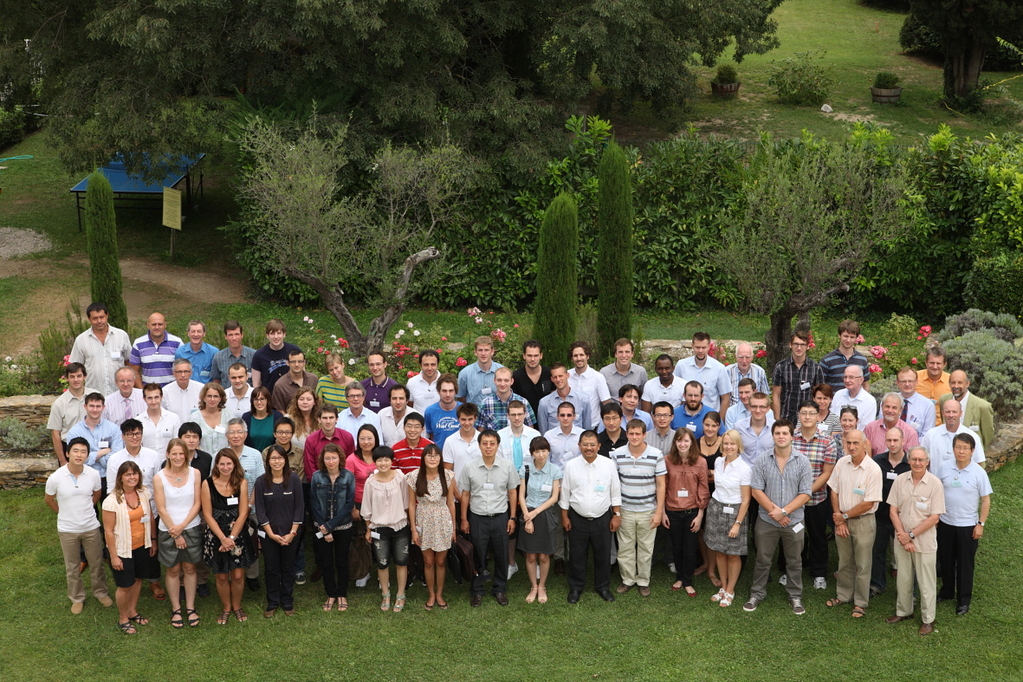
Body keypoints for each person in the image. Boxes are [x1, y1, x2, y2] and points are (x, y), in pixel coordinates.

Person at [743, 420, 812, 615]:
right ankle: (756, 593)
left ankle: (795, 595)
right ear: (772, 436)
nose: (781, 436)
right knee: (762, 559)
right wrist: (776, 512)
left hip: (794, 521)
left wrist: (784, 512)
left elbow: (806, 493)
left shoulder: (803, 461)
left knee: (794, 561)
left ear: (792, 436)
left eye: (785, 433)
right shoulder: (763, 460)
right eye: (777, 433)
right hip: (766, 520)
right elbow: (756, 489)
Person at [44, 437, 113, 614]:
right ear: (67, 453)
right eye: (75, 451)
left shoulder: (93, 474)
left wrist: (89, 506)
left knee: (96, 563)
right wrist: (62, 512)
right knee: (72, 566)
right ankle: (77, 597)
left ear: (87, 455)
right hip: (68, 530)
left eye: (83, 451)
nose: (79, 455)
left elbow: (96, 494)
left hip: (90, 527)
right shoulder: (56, 477)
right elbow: (49, 499)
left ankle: (101, 592)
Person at [885, 446, 945, 636]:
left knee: (926, 583)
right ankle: (904, 612)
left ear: (927, 462)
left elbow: (935, 518)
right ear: (908, 461)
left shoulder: (935, 484)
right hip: (901, 539)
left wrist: (910, 536)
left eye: (921, 460)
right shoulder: (901, 480)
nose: (917, 463)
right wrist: (903, 536)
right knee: (903, 578)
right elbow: (893, 511)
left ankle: (928, 619)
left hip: (924, 542)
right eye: (914, 459)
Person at [825, 429, 882, 618]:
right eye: (848, 443)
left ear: (864, 444)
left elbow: (869, 503)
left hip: (863, 522)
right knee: (844, 560)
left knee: (863, 564)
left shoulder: (873, 469)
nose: (852, 446)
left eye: (856, 443)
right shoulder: (842, 463)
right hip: (841, 520)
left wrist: (844, 516)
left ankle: (860, 602)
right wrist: (838, 516)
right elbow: (833, 490)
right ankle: (843, 595)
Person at [459, 430, 520, 607]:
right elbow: (465, 494)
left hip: (501, 516)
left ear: (498, 445)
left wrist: (513, 517)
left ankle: (500, 588)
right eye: (485, 443)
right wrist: (464, 519)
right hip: (478, 517)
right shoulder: (470, 467)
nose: (488, 447)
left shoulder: (507, 466)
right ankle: (477, 590)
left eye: (492, 443)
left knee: (501, 554)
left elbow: (512, 492)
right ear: (479, 445)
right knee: (477, 555)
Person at [560, 430, 621, 604]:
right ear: (579, 446)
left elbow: (615, 491)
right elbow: (565, 493)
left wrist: (616, 515)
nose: (589, 448)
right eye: (585, 444)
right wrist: (565, 517)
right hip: (577, 517)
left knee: (603, 554)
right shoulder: (571, 465)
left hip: (603, 517)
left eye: (592, 444)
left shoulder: (608, 464)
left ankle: (603, 587)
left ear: (599, 446)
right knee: (577, 555)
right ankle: (576, 587)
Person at [935, 432, 992, 616]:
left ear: (972, 451)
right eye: (958, 447)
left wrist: (980, 524)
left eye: (965, 448)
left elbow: (985, 500)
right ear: (953, 449)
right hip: (945, 522)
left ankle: (963, 600)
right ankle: (947, 591)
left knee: (965, 564)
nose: (961, 451)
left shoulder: (978, 472)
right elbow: (936, 492)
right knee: (946, 560)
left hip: (968, 525)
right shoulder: (944, 468)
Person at [611, 420, 666, 597]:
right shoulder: (617, 454)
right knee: (625, 547)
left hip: (648, 509)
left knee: (646, 548)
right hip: (625, 509)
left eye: (638, 434)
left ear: (644, 435)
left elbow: (661, 484)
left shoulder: (656, 454)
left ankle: (643, 580)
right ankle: (627, 579)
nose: (634, 437)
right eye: (631, 433)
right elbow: (613, 484)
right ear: (626, 434)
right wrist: (616, 512)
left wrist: (659, 512)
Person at [200, 448, 256, 625]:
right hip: (216, 534)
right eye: (222, 463)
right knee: (221, 575)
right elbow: (207, 515)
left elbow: (243, 513)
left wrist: (231, 538)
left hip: (237, 534)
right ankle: (226, 607)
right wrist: (222, 538)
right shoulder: (207, 483)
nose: (225, 467)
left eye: (229, 463)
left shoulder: (241, 482)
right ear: (216, 465)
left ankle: (237, 605)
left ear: (234, 465)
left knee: (238, 575)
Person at [152, 438, 203, 628]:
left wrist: (183, 527)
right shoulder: (159, 477)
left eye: (181, 453)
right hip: (168, 529)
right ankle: (175, 609)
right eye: (174, 453)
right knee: (173, 569)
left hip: (191, 527)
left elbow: (197, 503)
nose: (178, 457)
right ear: (167, 454)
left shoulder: (195, 473)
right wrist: (176, 532)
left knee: (190, 568)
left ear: (187, 454)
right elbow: (161, 508)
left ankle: (190, 607)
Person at [102, 461, 157, 634]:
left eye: (135, 473)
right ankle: (123, 617)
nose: (132, 477)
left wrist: (153, 540)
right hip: (123, 550)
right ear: (120, 477)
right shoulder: (111, 501)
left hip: (142, 546)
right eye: (128, 474)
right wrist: (114, 556)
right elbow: (108, 531)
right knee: (125, 585)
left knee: (138, 579)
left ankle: (132, 611)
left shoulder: (144, 493)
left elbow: (151, 519)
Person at [791, 400, 837, 591]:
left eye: (811, 413)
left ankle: (818, 573)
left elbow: (827, 473)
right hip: (793, 501)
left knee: (817, 537)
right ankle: (793, 569)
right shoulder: (791, 438)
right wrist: (798, 495)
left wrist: (806, 492)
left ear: (818, 416)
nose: (807, 417)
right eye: (804, 413)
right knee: (794, 535)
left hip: (817, 499)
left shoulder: (827, 441)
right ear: (798, 416)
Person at [255, 444, 304, 617]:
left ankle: (287, 600)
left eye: (280, 458)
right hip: (270, 535)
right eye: (273, 458)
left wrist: (292, 533)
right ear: (268, 461)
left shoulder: (294, 479)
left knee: (288, 567)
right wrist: (270, 534)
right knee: (271, 568)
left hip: (291, 534)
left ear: (285, 460)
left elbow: (299, 508)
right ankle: (273, 601)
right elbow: (260, 511)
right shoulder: (261, 481)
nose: (277, 461)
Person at [703, 430, 751, 608]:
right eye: (726, 443)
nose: (728, 447)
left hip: (735, 512)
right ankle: (722, 587)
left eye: (732, 444)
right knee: (718, 551)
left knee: (732, 554)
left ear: (739, 446)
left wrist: (737, 524)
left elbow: (746, 500)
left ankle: (730, 589)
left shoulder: (745, 469)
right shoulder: (718, 461)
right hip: (716, 508)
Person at [362, 446, 411, 612]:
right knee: (382, 563)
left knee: (401, 562)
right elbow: (366, 508)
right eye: (379, 460)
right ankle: (386, 594)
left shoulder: (400, 478)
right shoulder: (370, 482)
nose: (383, 463)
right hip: (379, 529)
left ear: (392, 461)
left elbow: (407, 503)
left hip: (400, 526)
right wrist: (368, 529)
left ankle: (400, 594)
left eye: (386, 459)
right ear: (375, 462)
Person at [407, 443, 456, 610]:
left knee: (441, 561)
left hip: (443, 520)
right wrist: (413, 529)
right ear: (424, 458)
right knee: (428, 562)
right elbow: (412, 505)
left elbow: (451, 503)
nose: (433, 458)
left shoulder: (448, 476)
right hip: (423, 521)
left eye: (436, 455)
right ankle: (431, 594)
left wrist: (454, 527)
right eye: (429, 455)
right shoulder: (414, 477)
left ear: (441, 458)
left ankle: (440, 594)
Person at [661, 427, 707, 596]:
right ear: (675, 442)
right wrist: (663, 512)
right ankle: (680, 577)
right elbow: (663, 487)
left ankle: (687, 581)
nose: (682, 444)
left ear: (691, 443)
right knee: (677, 547)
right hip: (672, 511)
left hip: (691, 512)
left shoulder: (700, 462)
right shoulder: (667, 460)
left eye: (686, 441)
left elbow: (703, 489)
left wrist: (700, 515)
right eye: (679, 440)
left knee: (689, 548)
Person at [310, 444, 356, 612]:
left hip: (343, 526)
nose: (330, 461)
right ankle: (330, 593)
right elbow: (313, 504)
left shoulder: (348, 477)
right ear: (323, 459)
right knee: (326, 562)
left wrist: (330, 526)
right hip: (321, 527)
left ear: (340, 459)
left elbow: (349, 504)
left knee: (342, 561)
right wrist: (325, 528)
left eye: (334, 458)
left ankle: (341, 593)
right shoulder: (316, 477)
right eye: (327, 458)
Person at [518, 436, 562, 604]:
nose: (541, 454)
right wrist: (527, 518)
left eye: (544, 450)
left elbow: (554, 497)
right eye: (537, 451)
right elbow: (521, 496)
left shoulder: (554, 470)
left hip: (545, 513)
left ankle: (542, 585)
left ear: (548, 451)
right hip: (527, 512)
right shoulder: (526, 469)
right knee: (530, 556)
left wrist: (534, 513)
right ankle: (533, 586)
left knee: (544, 556)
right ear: (532, 453)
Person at [224, 417, 266, 591]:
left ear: (245, 434)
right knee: (229, 540)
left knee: (251, 540)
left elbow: (260, 482)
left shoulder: (255, 454)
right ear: (227, 435)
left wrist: (249, 505)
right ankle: (228, 572)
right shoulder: (221, 455)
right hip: (226, 509)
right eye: (232, 432)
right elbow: (215, 481)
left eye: (239, 432)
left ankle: (252, 576)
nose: (236, 436)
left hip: (251, 508)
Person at [871, 427, 910, 597]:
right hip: (879, 516)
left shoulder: (911, 463)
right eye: (889, 440)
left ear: (903, 441)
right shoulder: (877, 461)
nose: (892, 444)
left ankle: (907, 590)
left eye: (896, 440)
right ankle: (876, 584)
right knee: (877, 552)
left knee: (904, 554)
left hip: (902, 519)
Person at [70, 302, 131, 396]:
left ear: (107, 316)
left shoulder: (121, 335)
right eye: (95, 318)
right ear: (89, 319)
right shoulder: (81, 340)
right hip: (93, 395)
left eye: (101, 317)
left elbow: (129, 362)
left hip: (119, 393)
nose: (99, 321)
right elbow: (75, 367)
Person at [66, 391, 123, 493]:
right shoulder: (75, 432)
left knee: (111, 507)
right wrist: (102, 453)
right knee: (87, 508)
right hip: (84, 476)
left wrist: (91, 457)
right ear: (85, 406)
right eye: (91, 406)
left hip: (108, 476)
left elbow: (117, 456)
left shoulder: (113, 429)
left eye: (98, 406)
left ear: (103, 407)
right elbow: (76, 458)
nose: (95, 410)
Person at [346, 424, 381, 588]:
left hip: (380, 503)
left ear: (376, 439)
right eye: (362, 439)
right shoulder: (351, 459)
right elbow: (348, 485)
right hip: (359, 504)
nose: (366, 442)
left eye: (369, 438)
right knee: (361, 539)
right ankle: (363, 571)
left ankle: (382, 571)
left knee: (380, 538)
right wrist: (353, 507)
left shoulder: (381, 456)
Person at [673, 332, 731, 418]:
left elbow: (725, 398)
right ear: (692, 346)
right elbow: (675, 391)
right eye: (697, 347)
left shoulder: (719, 368)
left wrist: (719, 423)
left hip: (710, 418)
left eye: (703, 347)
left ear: (709, 347)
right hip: (686, 416)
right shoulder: (682, 366)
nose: (700, 351)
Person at [771, 330, 824, 424]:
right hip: (786, 417)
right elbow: (776, 395)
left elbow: (819, 396)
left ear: (807, 346)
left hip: (807, 418)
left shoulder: (816, 368)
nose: (799, 348)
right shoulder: (781, 367)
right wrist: (777, 419)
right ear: (790, 345)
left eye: (802, 344)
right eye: (796, 344)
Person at [921, 399, 986, 472]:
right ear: (943, 413)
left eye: (954, 412)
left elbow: (978, 464)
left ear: (961, 413)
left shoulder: (972, 436)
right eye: (948, 412)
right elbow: (923, 461)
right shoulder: (931, 435)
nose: (951, 415)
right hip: (936, 482)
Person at [939, 370, 995, 449]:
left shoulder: (983, 406)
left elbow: (987, 435)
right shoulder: (944, 400)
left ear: (967, 384)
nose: (956, 386)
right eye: (953, 382)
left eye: (960, 382)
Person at [48, 362, 88, 465]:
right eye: (72, 377)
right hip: (69, 449)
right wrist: (62, 460)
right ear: (67, 378)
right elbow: (55, 434)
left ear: (85, 377)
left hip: (92, 447)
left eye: (79, 376)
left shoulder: (95, 397)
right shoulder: (59, 404)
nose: (76, 380)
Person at [129, 312, 182, 387]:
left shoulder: (177, 343)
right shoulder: (138, 344)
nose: (157, 327)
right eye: (154, 324)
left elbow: (183, 369)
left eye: (160, 324)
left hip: (171, 392)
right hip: (149, 393)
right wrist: (142, 391)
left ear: (165, 325)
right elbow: (134, 371)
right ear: (148, 325)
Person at [538, 363, 595, 432]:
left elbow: (587, 429)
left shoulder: (583, 400)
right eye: (555, 377)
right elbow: (543, 431)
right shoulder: (544, 403)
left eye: (560, 376)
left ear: (567, 375)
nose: (558, 379)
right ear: (552, 379)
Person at [304, 404, 356, 479]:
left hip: (343, 482)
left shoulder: (347, 437)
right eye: (325, 418)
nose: (328, 421)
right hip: (319, 483)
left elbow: (350, 463)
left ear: (337, 419)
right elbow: (309, 468)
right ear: (319, 419)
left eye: (331, 418)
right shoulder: (311, 440)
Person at [479, 366, 538, 431]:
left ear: (512, 381)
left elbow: (530, 429)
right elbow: (481, 431)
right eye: (499, 380)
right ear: (494, 380)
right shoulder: (485, 404)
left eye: (506, 380)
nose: (502, 384)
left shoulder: (523, 402)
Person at [251, 318, 301, 393]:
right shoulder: (259, 355)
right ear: (267, 335)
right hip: (270, 398)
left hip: (292, 397)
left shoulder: (294, 351)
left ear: (284, 334)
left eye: (279, 333)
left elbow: (302, 375)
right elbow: (256, 385)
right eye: (272, 333)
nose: (276, 337)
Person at [819, 320, 870, 392]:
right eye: (845, 336)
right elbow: (820, 387)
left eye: (852, 337)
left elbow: (865, 385)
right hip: (834, 402)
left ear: (856, 338)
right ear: (839, 335)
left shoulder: (862, 360)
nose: (848, 340)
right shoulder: (827, 360)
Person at [137, 383, 181, 458]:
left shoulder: (173, 418)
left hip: (169, 464)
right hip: (147, 464)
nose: (153, 401)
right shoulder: (138, 421)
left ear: (161, 397)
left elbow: (177, 444)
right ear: (144, 399)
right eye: (150, 398)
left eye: (156, 397)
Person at [458, 335, 505, 405]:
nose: (483, 353)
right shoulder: (465, 373)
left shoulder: (502, 371)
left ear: (492, 351)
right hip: (474, 414)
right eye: (480, 350)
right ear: (475, 352)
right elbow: (461, 397)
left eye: (486, 350)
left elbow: (507, 394)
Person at [443, 403, 483, 482]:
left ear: (475, 418)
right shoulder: (450, 441)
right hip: (458, 488)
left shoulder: (484, 440)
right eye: (463, 419)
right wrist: (456, 492)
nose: (467, 423)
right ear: (458, 419)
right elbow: (447, 472)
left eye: (470, 419)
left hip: (480, 490)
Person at [512, 340, 554, 416]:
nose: (532, 359)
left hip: (547, 419)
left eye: (536, 355)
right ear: (524, 356)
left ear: (541, 355)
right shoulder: (516, 376)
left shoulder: (549, 374)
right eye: (529, 355)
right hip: (525, 421)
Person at [829, 366, 876, 432]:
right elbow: (831, 419)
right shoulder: (838, 395)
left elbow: (866, 429)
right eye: (845, 377)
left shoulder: (869, 401)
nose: (847, 380)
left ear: (861, 380)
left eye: (851, 377)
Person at [498, 400, 541, 470]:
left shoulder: (535, 435)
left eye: (520, 414)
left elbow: (539, 461)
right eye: (513, 415)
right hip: (507, 477)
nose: (517, 418)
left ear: (525, 414)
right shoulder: (500, 436)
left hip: (531, 477)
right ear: (508, 416)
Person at [735, 392, 776, 467]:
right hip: (745, 474)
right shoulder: (739, 426)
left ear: (768, 409)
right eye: (754, 406)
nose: (758, 410)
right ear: (749, 408)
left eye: (762, 407)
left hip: (767, 473)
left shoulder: (775, 427)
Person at [210, 320, 256, 385]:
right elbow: (216, 382)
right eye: (230, 335)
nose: (234, 338)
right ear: (225, 337)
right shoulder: (218, 357)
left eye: (237, 334)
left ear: (242, 335)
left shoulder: (254, 356)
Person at [895, 366, 934, 439]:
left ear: (916, 382)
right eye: (903, 381)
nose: (907, 384)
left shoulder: (928, 405)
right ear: (897, 382)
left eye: (910, 381)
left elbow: (926, 435)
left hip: (916, 448)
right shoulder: (889, 402)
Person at [191, 382, 230, 454]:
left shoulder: (229, 415)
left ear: (220, 398)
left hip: (225, 460)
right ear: (204, 398)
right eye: (209, 396)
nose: (212, 399)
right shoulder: (195, 418)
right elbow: (191, 441)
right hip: (202, 460)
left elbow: (232, 439)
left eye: (215, 396)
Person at [568, 341, 612, 405]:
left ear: (587, 356)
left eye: (581, 355)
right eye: (575, 356)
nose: (579, 358)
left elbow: (606, 403)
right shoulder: (566, 376)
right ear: (572, 358)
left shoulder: (598, 377)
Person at [423, 373, 461, 448]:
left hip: (459, 455)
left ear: (455, 392)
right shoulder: (430, 411)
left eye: (451, 391)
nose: (447, 394)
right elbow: (430, 437)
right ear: (438, 391)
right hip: (439, 456)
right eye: (444, 391)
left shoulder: (464, 409)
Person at [916, 345, 950, 426]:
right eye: (932, 363)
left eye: (938, 363)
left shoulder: (951, 381)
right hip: (918, 427)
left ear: (944, 364)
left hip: (942, 427)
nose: (935, 366)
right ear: (926, 362)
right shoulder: (915, 378)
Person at [543, 402, 584, 468]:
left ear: (574, 416)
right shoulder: (549, 436)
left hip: (577, 475)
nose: (565, 418)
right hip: (556, 476)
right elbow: (546, 460)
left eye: (569, 415)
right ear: (557, 416)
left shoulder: (582, 434)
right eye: (562, 415)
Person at [242, 386, 280, 453]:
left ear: (267, 400)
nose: (259, 402)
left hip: (272, 457)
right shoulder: (246, 417)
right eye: (256, 399)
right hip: (251, 457)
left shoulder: (277, 417)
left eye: (262, 399)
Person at [286, 386, 319, 455]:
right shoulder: (288, 419)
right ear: (296, 401)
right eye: (301, 399)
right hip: (294, 460)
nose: (305, 402)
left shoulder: (320, 419)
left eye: (309, 399)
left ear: (314, 402)